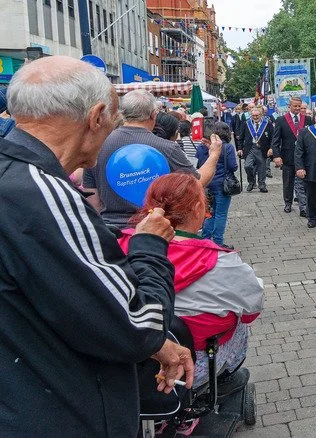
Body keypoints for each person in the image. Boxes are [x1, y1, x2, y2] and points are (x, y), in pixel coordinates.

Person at [0, 55, 194, 436]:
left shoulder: (15, 178)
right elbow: (134, 324)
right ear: (97, 115)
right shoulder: (43, 195)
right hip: (62, 412)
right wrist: (150, 246)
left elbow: (68, 301)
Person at [119, 173, 264, 388]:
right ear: (198, 209)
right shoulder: (222, 262)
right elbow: (252, 307)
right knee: (239, 321)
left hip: (129, 364)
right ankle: (226, 378)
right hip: (190, 367)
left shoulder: (116, 247)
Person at [83, 89, 220, 226]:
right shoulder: (167, 148)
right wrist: (214, 154)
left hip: (111, 232)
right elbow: (197, 182)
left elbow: (91, 195)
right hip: (155, 230)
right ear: (154, 114)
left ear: (122, 113)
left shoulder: (99, 145)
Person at [197, 121, 239, 248]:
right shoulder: (227, 147)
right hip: (222, 184)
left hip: (207, 183)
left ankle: (205, 239)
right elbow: (233, 166)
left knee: (209, 213)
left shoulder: (202, 146)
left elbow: (198, 164)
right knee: (221, 214)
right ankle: (218, 242)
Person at [272, 96, 312, 216]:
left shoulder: (308, 120)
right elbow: (276, 141)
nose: (297, 108)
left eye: (299, 106)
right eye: (295, 106)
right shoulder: (281, 120)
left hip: (304, 157)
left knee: (303, 182)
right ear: (289, 106)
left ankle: (303, 205)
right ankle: (288, 203)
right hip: (287, 156)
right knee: (288, 182)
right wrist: (276, 155)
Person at [240, 108, 272, 193]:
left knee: (262, 168)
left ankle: (262, 185)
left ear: (261, 115)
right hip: (250, 148)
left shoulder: (267, 124)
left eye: (257, 115)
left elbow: (272, 137)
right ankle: (251, 182)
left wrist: (271, 148)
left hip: (262, 148)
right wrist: (239, 149)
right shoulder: (246, 124)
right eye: (253, 115)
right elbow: (241, 137)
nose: (255, 117)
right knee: (247, 166)